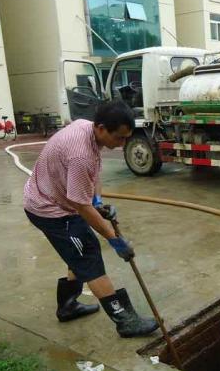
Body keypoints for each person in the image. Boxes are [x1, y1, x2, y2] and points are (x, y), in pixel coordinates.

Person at [23, 100, 158, 337]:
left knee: (78, 251)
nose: (122, 144)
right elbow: (80, 205)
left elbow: (93, 172)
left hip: (58, 199)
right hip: (50, 210)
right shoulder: (80, 154)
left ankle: (68, 306)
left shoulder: (86, 128)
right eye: (119, 138)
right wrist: (114, 239)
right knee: (89, 257)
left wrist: (98, 202)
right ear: (102, 128)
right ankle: (124, 321)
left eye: (126, 138)